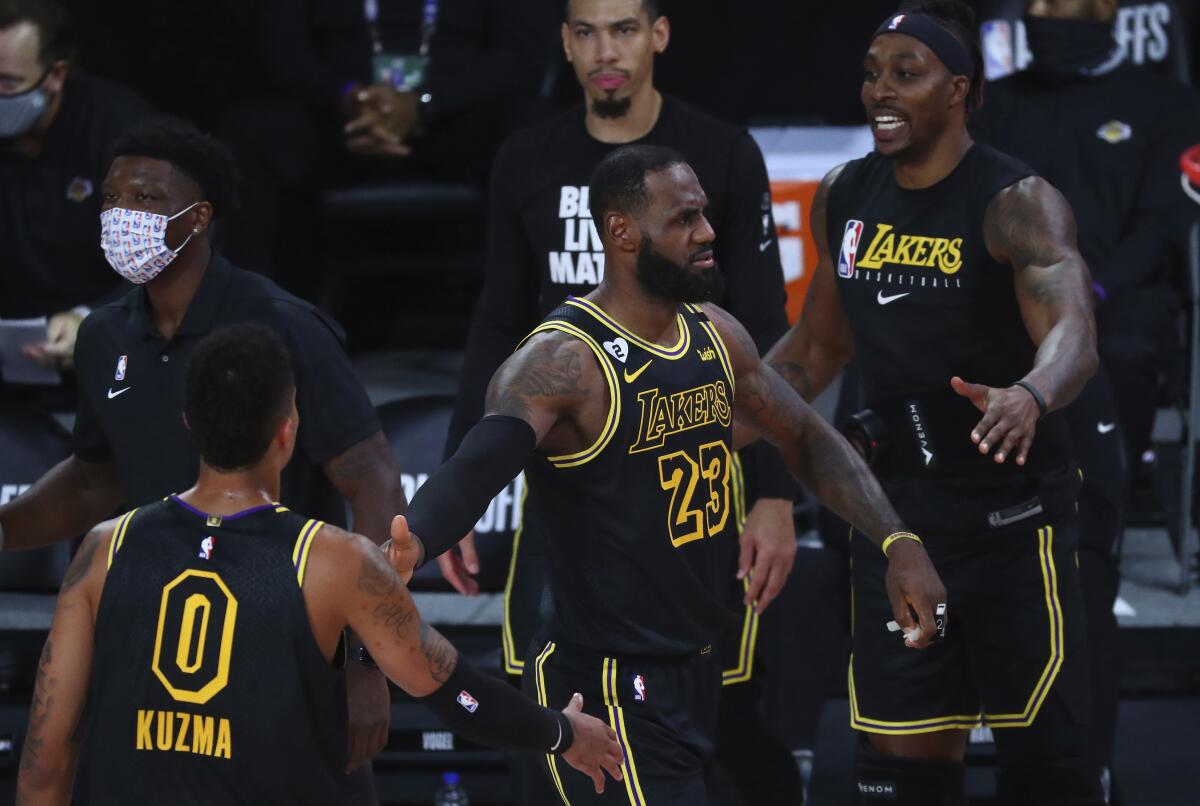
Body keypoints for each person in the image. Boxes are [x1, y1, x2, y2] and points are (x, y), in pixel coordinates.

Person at [388, 143, 948, 804]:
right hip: (607, 689)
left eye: (704, 214)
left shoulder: (715, 334)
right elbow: (480, 465)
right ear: (622, 233)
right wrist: (413, 539)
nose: (707, 232)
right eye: (683, 219)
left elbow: (805, 435)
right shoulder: (563, 361)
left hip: (701, 665)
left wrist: (897, 540)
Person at [13, 324, 623, 805]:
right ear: (288, 430)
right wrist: (563, 733)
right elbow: (458, 695)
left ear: (188, 426)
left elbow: (44, 761)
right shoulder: (335, 561)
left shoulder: (102, 549)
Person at [441, 3, 801, 798]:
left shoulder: (719, 154)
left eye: (625, 28)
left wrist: (775, 495)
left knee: (723, 712)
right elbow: (497, 320)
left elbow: (770, 335)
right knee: (552, 696)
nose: (607, 50)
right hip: (577, 475)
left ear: (659, 34)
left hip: (692, 470)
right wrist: (456, 488)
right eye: (587, 32)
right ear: (565, 43)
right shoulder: (525, 158)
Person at [0, 116, 404, 795]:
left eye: (148, 198)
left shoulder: (281, 323)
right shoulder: (103, 334)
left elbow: (377, 489)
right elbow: (96, 483)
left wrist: (365, 662)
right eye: (110, 198)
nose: (122, 214)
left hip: (281, 639)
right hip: (151, 643)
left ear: (200, 217)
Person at [765, 2, 1104, 803]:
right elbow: (814, 351)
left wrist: (1031, 392)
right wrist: (715, 399)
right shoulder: (845, 195)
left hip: (1010, 531)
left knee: (1048, 777)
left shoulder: (1015, 202)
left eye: (905, 75)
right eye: (872, 73)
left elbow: (1074, 334)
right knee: (901, 778)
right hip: (897, 531)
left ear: (958, 89)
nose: (880, 90)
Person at [966, 3, 1200, 799]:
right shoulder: (995, 103)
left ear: (1114, 10)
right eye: (1041, 2)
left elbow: (1166, 228)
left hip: (1115, 338)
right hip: (999, 338)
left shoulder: (1166, 103)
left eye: (1075, 1)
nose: (1056, 14)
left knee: (1079, 548)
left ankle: (1086, 765)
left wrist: (1076, 301)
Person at [0, 0, 150, 370]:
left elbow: (174, 254)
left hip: (110, 345)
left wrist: (91, 317)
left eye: (7, 82)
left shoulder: (120, 133)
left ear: (55, 75)